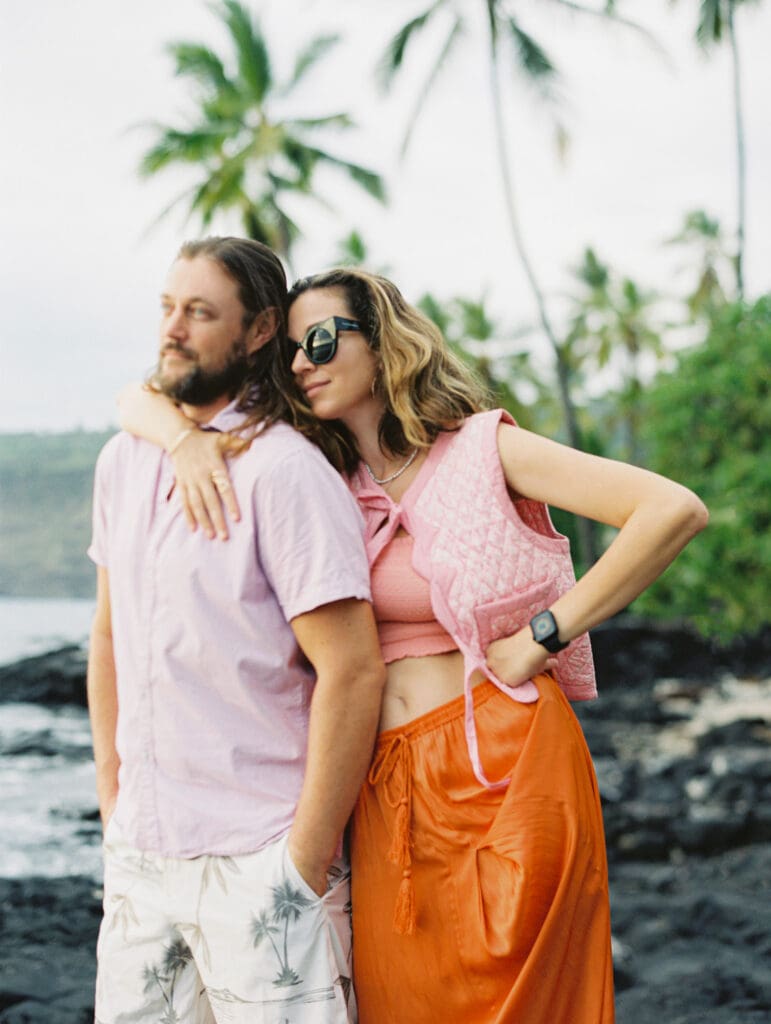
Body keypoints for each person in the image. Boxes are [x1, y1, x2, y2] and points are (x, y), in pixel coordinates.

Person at [119, 264, 709, 1023]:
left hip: (506, 769)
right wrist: (179, 439)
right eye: (291, 352)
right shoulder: (323, 478)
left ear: (382, 341)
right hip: (382, 793)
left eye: (323, 341)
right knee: (399, 1003)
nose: (303, 363)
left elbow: (669, 510)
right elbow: (138, 397)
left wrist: (542, 637)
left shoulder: (482, 450)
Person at [87, 238, 386, 1024]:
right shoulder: (122, 462)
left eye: (199, 312)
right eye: (167, 308)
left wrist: (302, 860)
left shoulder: (285, 473)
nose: (173, 328)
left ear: (257, 331)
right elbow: (109, 638)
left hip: (259, 855)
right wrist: (111, 796)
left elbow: (352, 670)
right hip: (141, 853)